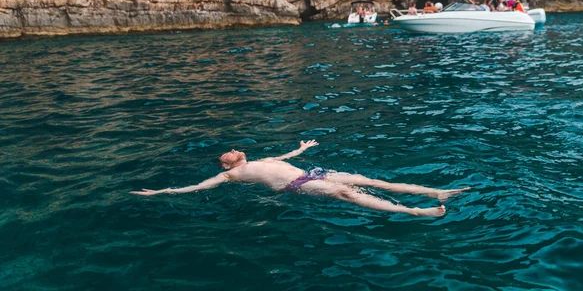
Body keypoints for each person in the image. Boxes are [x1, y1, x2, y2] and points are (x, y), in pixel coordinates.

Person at [131, 140, 469, 217]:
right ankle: (416, 213)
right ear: (225, 166)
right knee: (350, 194)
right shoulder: (231, 177)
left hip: (312, 173)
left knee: (372, 180)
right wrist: (161, 191)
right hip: (299, 186)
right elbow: (197, 187)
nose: (233, 151)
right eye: (227, 155)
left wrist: (301, 147)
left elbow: (289, 158)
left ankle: (434, 191)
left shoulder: (262, 158)